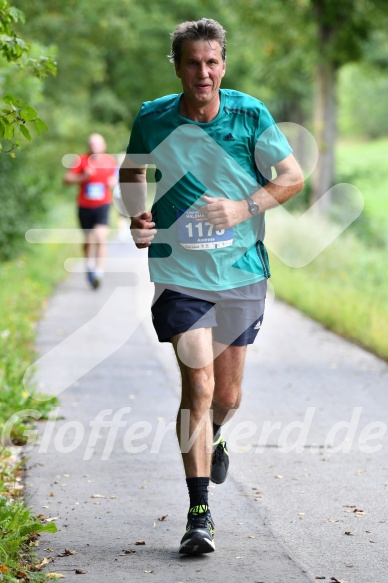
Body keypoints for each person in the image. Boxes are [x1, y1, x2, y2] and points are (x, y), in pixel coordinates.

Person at [120, 18, 304, 555]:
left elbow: (291, 178)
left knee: (226, 396)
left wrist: (243, 207)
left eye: (212, 62)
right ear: (176, 67)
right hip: (179, 273)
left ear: (223, 64)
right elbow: (132, 175)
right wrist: (138, 216)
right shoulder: (153, 119)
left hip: (243, 271)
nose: (203, 72)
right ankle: (198, 513)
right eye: (193, 63)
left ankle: (217, 432)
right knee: (197, 386)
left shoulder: (249, 114)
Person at [64, 133, 117, 289]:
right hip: (84, 205)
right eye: (91, 144)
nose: (94, 147)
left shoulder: (109, 161)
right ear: (88, 146)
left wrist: (113, 182)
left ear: (103, 146)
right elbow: (66, 179)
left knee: (100, 238)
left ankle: (98, 273)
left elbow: (116, 178)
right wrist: (83, 177)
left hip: (103, 204)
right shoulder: (81, 160)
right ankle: (89, 266)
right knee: (88, 240)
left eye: (97, 144)